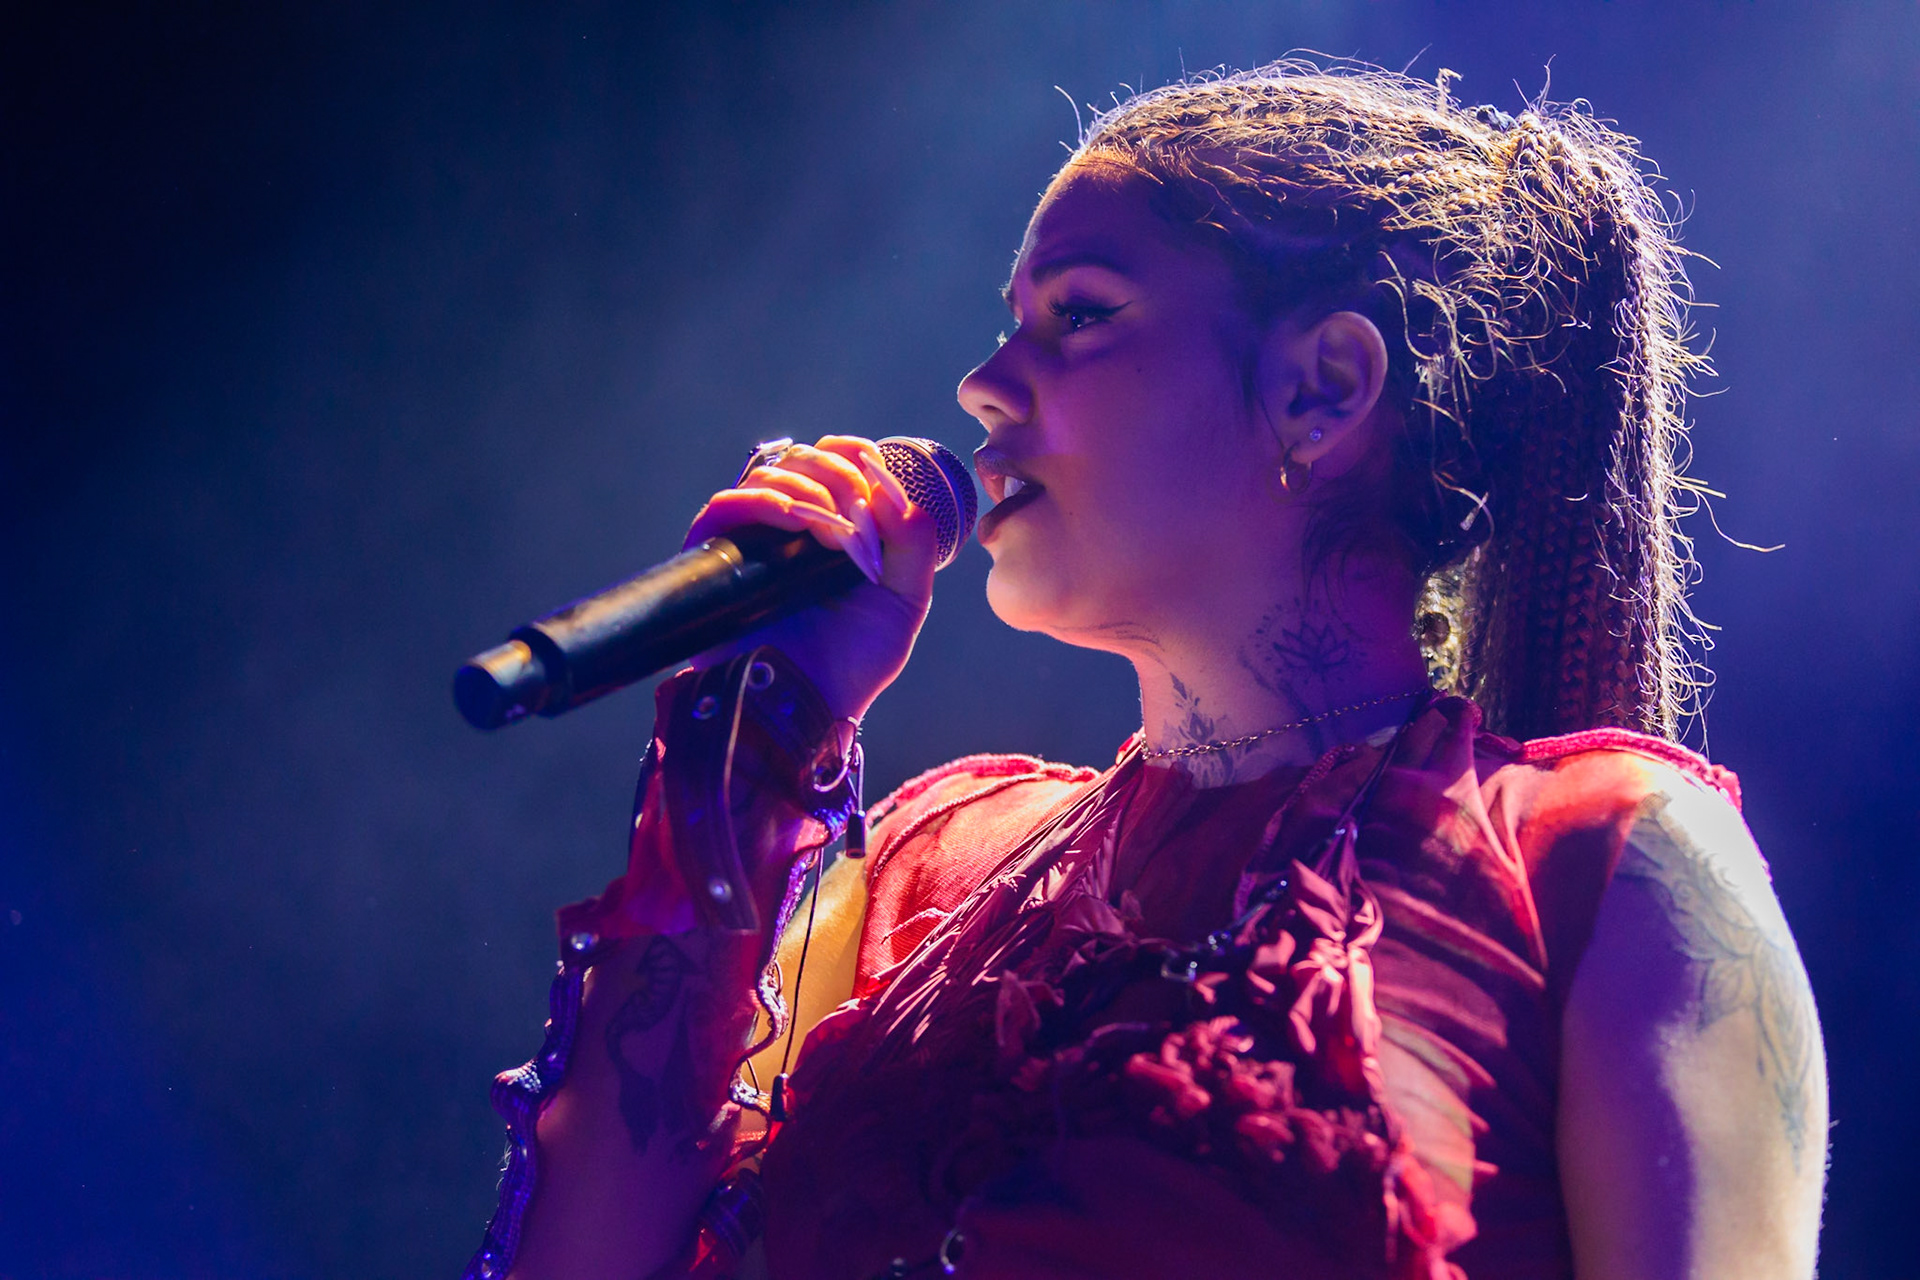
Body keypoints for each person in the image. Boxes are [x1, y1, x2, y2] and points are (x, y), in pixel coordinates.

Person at [465, 63, 1827, 1280]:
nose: (988, 385)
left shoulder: (1598, 860)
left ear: (1322, 390)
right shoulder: (929, 871)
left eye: (1080, 315)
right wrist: (755, 732)